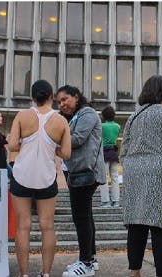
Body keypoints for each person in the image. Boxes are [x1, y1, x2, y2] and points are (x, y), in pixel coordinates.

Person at [120, 75, 162, 277]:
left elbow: (123, 149)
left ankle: (135, 271)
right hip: (159, 172)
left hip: (134, 171)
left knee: (136, 224)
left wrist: (131, 166)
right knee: (161, 226)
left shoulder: (134, 116)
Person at [7, 80, 71, 277]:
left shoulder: (22, 116)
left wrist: (24, 144)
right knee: (47, 225)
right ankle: (45, 273)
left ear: (32, 98)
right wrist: (53, 148)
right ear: (51, 96)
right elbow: (67, 153)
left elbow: (12, 145)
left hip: (21, 177)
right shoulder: (61, 121)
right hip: (46, 178)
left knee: (23, 226)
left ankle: (24, 274)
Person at [56, 85, 107, 277]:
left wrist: (55, 139)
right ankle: (90, 259)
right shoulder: (75, 116)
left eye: (65, 99)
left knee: (81, 217)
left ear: (76, 97)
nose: (62, 105)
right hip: (78, 172)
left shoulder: (88, 113)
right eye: (59, 102)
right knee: (85, 216)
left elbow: (77, 139)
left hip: (87, 172)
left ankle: (85, 263)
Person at [99, 105, 122, 208]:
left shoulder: (102, 126)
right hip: (113, 152)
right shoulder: (117, 126)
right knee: (115, 177)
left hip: (104, 152)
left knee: (103, 177)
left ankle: (105, 201)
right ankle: (116, 200)